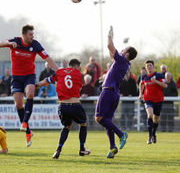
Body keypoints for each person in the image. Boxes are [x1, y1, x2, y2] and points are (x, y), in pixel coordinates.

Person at [0, 24, 58, 147]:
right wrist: (7, 44)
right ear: (23, 35)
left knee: (30, 93)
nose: (32, 36)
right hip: (16, 78)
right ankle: (28, 132)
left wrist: (59, 71)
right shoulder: (15, 41)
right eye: (30, 34)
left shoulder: (35, 44)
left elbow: (48, 58)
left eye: (33, 34)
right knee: (18, 104)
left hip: (29, 76)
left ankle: (24, 123)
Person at [95, 26, 137, 158]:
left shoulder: (122, 60)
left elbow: (109, 46)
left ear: (127, 54)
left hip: (108, 91)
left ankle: (121, 134)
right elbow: (111, 52)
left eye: (124, 49)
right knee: (107, 120)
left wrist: (109, 35)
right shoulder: (124, 63)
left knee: (99, 118)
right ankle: (112, 147)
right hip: (114, 93)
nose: (122, 49)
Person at [37, 59, 90, 159]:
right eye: (78, 67)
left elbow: (47, 81)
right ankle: (82, 148)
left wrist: (36, 85)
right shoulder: (78, 73)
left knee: (67, 127)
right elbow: (79, 89)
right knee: (83, 124)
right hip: (75, 105)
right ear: (75, 67)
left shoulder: (59, 72)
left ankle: (58, 149)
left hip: (63, 106)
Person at [139, 60, 167, 144]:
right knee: (150, 115)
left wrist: (156, 81)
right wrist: (141, 94)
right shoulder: (144, 76)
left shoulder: (159, 75)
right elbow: (141, 84)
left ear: (153, 66)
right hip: (148, 99)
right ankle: (149, 136)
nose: (149, 67)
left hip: (158, 99)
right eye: (147, 66)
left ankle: (154, 134)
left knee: (156, 119)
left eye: (150, 65)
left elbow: (165, 85)